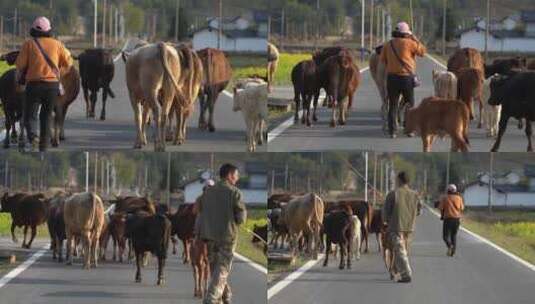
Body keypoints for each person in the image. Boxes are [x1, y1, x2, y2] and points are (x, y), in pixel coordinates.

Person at [15, 16, 73, 152]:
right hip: (52, 86)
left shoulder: (28, 44)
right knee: (46, 115)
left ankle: (34, 138)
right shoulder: (57, 44)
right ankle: (44, 145)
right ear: (49, 30)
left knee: (31, 114)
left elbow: (20, 66)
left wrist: (20, 79)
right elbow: (69, 63)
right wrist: (59, 74)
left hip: (33, 85)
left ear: (33, 30)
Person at [198, 164, 247, 304]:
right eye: (236, 176)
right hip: (227, 238)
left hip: (209, 238)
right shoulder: (234, 192)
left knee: (216, 271)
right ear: (230, 175)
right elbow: (241, 218)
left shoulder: (207, 192)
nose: (237, 179)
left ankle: (226, 297)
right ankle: (211, 300)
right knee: (222, 271)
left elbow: (199, 210)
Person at [380, 21, 426, 138]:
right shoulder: (410, 43)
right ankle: (409, 129)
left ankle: (392, 131)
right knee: (410, 104)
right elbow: (423, 52)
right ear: (406, 34)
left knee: (393, 105)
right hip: (406, 78)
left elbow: (383, 60)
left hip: (392, 78)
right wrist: (415, 39)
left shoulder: (387, 44)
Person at [382, 171, 421, 283]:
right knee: (402, 250)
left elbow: (385, 213)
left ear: (398, 180)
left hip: (395, 226)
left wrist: (386, 221)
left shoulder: (392, 194)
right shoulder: (415, 195)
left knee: (399, 250)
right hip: (409, 227)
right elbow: (419, 211)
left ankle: (406, 274)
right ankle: (395, 271)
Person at [438, 184, 465, 257]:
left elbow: (440, 208)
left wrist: (442, 215)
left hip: (448, 219)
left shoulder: (445, 198)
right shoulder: (459, 198)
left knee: (445, 236)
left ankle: (450, 246)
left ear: (448, 190)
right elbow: (462, 208)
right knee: (454, 235)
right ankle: (453, 252)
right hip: (457, 219)